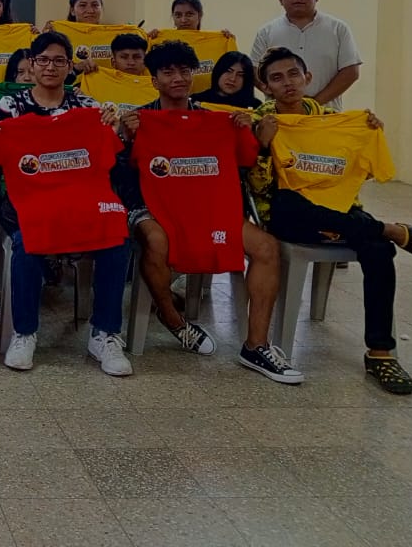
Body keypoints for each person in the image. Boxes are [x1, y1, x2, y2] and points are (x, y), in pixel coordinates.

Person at [250, 47, 412, 394]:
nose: (287, 83)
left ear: (307, 77)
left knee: (378, 250)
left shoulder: (334, 120)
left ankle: (380, 353)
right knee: (290, 202)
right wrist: (263, 146)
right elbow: (256, 187)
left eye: (293, 74)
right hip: (286, 216)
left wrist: (367, 132)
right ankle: (394, 230)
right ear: (266, 87)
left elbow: (355, 174)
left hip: (338, 212)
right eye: (277, 78)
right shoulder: (260, 120)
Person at [117, 41, 302, 383]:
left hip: (208, 207)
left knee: (266, 247)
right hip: (152, 204)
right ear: (154, 80)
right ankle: (172, 318)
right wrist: (126, 138)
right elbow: (118, 172)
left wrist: (247, 131)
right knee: (155, 240)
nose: (178, 78)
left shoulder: (216, 118)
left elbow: (245, 163)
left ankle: (256, 346)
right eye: (168, 72)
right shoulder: (139, 119)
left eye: (184, 71)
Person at [0, 31, 132, 377]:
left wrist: (111, 125)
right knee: (26, 242)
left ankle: (104, 333)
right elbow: (7, 155)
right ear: (32, 64)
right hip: (31, 198)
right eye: (43, 60)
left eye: (59, 60)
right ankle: (24, 332)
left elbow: (109, 152)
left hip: (81, 198)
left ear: (70, 66)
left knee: (117, 237)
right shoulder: (11, 105)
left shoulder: (86, 106)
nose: (50, 67)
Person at [249, 0, 361, 110]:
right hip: (279, 116)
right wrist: (284, 100)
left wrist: (314, 103)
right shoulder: (266, 32)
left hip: (327, 114)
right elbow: (254, 72)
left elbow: (351, 72)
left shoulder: (338, 29)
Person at [195, 52, 262, 110]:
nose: (233, 79)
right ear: (218, 71)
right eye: (229, 71)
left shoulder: (256, 107)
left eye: (240, 75)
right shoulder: (196, 101)